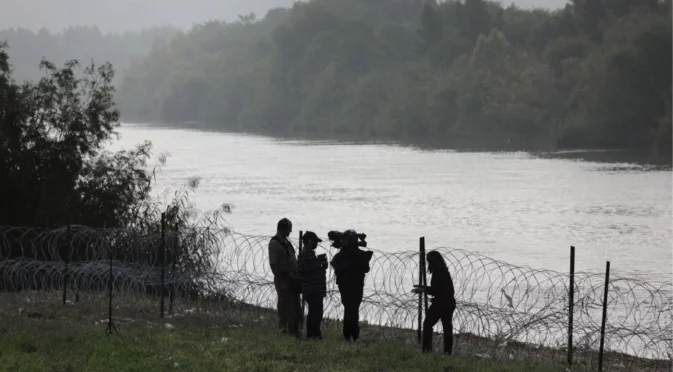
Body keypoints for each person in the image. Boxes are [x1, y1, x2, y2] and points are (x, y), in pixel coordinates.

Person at [330, 229, 373, 342]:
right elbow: (366, 268)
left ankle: (350, 334)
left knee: (350, 309)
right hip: (353, 285)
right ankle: (352, 334)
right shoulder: (353, 254)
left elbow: (335, 264)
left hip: (348, 285)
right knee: (352, 309)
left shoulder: (344, 254)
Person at [412, 250, 456, 354]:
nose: (428, 264)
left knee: (427, 324)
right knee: (447, 328)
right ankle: (447, 352)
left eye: (429, 262)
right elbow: (441, 289)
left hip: (440, 304)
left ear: (433, 262)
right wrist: (423, 287)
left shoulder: (438, 272)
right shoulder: (444, 271)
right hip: (449, 303)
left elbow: (435, 290)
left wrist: (423, 290)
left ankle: (427, 350)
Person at [268, 218, 302, 336]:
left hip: (293, 278)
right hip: (284, 279)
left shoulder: (286, 242)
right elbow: (274, 265)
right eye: (289, 229)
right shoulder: (275, 243)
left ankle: (294, 329)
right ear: (284, 229)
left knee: (295, 306)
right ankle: (284, 329)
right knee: (285, 306)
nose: (290, 231)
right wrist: (282, 277)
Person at [297, 231, 328, 340]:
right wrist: (320, 265)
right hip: (313, 289)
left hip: (312, 289)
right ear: (310, 241)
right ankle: (314, 335)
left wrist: (321, 265)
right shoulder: (307, 255)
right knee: (316, 313)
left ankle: (313, 334)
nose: (316, 244)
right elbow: (307, 271)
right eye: (315, 241)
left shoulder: (307, 254)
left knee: (314, 312)